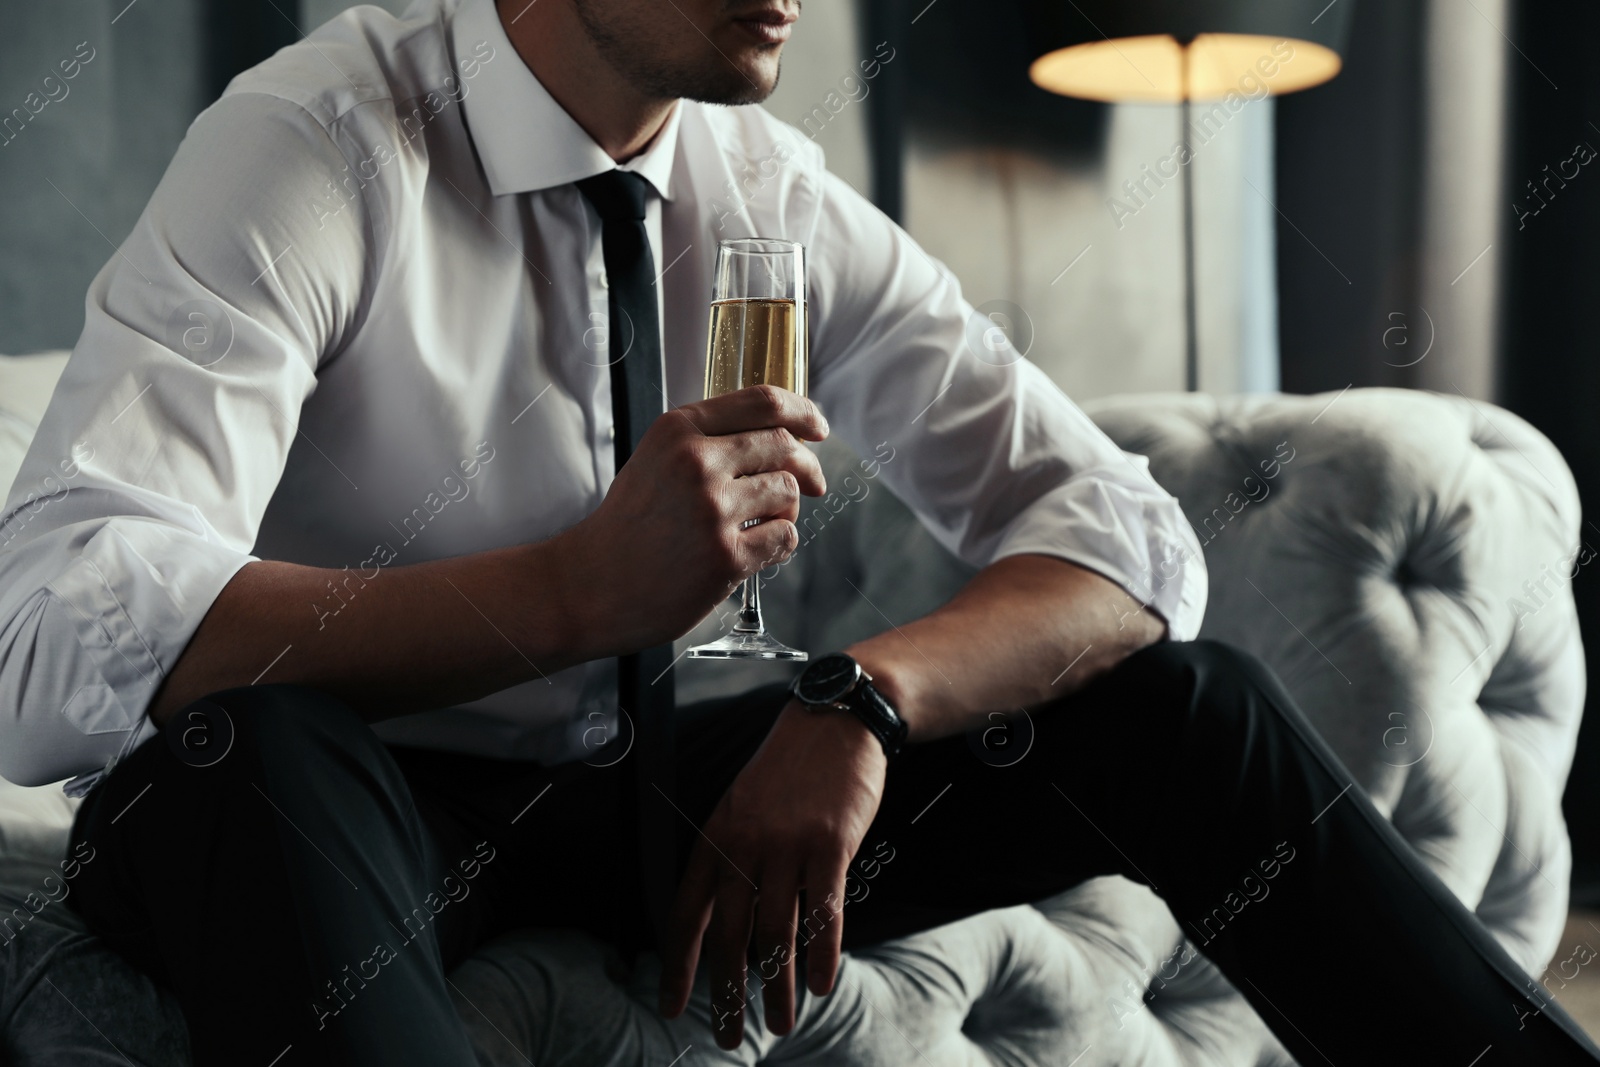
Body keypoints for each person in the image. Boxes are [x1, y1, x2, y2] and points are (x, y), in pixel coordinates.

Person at [0, 0, 1594, 1063]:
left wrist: (861, 702)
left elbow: (1120, 535)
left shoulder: (761, 187)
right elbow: (62, 620)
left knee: (1190, 710)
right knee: (253, 759)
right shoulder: (318, 141)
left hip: (622, 796)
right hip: (342, 800)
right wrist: (560, 595)